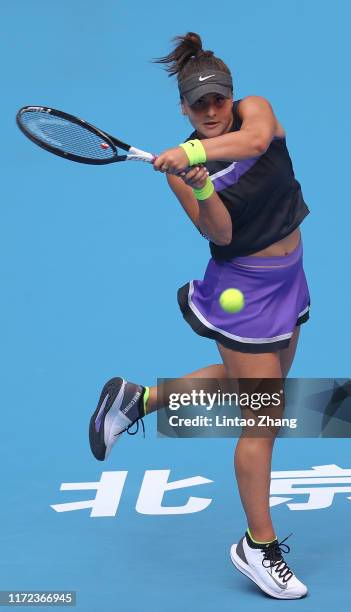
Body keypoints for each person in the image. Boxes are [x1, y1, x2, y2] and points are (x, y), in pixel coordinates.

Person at [89, 32, 310, 600]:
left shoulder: (255, 113)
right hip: (244, 293)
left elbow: (257, 139)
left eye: (220, 99)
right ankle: (258, 546)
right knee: (262, 418)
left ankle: (138, 399)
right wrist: (201, 184)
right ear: (183, 107)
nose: (212, 111)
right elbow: (222, 233)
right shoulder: (177, 174)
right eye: (199, 104)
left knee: (259, 389)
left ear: (232, 97)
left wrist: (193, 154)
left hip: (290, 280)